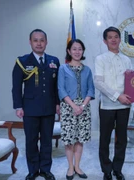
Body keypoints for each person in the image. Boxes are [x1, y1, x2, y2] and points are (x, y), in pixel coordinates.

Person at [12, 29, 60, 180]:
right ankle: (33, 170)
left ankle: (45, 169)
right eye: (35, 40)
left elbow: (56, 86)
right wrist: (18, 106)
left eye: (42, 40)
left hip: (48, 107)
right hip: (30, 109)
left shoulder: (54, 61)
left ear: (46, 42)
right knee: (31, 141)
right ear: (30, 42)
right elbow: (16, 86)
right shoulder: (22, 61)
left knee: (47, 141)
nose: (39, 43)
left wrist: (58, 104)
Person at [94, 26, 132, 180]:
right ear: (105, 41)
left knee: (122, 139)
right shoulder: (100, 59)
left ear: (120, 39)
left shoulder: (127, 60)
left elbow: (132, 83)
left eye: (116, 36)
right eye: (110, 37)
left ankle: (117, 169)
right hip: (107, 106)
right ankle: (106, 170)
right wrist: (118, 96)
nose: (114, 39)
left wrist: (130, 90)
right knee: (104, 139)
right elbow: (99, 82)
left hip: (124, 106)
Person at [58, 39, 95, 180]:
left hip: (84, 108)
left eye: (80, 49)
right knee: (69, 139)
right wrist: (74, 106)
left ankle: (78, 166)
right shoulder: (63, 68)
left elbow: (91, 89)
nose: (77, 51)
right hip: (68, 107)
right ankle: (70, 167)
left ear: (83, 51)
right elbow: (61, 89)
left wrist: (83, 106)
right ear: (69, 51)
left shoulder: (87, 70)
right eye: (74, 49)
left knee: (80, 139)